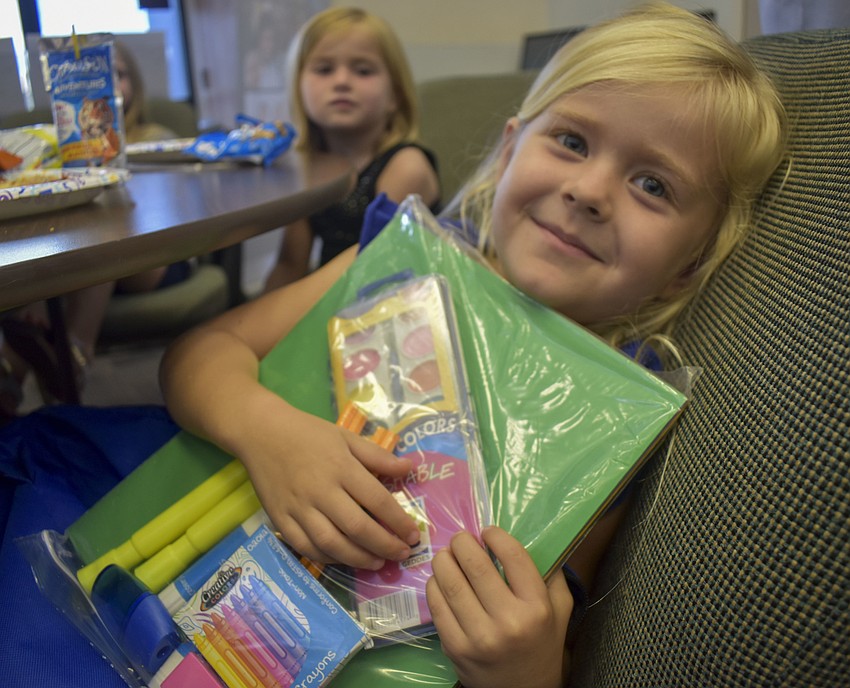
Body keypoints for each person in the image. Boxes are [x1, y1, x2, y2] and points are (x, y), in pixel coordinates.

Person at [159, 3, 787, 685]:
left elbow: (558, 622)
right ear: (511, 147)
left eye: (653, 185)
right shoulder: (400, 260)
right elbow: (199, 352)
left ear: (692, 261)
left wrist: (527, 665)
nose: (589, 191)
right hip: (196, 567)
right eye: (572, 142)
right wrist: (266, 432)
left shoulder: (619, 420)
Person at [0, 41, 189, 413]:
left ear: (134, 81)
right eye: (92, 79)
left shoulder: (154, 135)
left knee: (104, 235)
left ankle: (70, 354)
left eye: (115, 74)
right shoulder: (59, 151)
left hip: (154, 257)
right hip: (85, 270)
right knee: (61, 244)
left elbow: (170, 203)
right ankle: (15, 377)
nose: (106, 86)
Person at [262, 7, 440, 292]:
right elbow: (289, 266)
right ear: (299, 88)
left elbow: (373, 273)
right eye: (324, 69)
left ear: (395, 95)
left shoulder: (406, 166)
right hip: (330, 299)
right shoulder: (306, 169)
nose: (342, 81)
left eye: (363, 70)